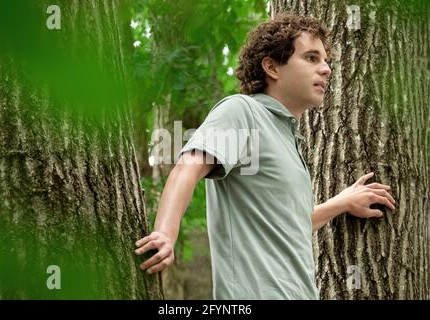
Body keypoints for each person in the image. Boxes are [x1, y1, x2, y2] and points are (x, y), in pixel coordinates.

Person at [135, 13, 396, 299]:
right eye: (311, 58)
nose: (326, 70)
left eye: (325, 61)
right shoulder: (242, 112)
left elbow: (285, 225)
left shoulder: (288, 137)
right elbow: (188, 167)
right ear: (272, 67)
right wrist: (165, 232)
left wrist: (342, 202)